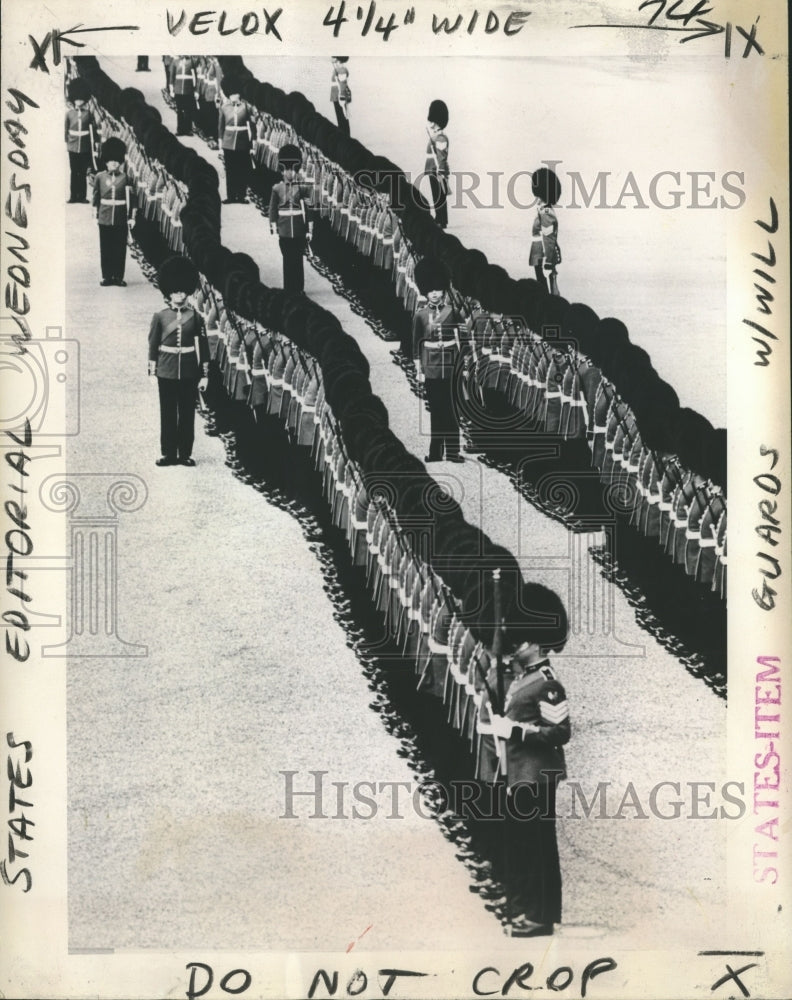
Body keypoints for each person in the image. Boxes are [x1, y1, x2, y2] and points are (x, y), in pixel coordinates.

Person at [479, 584, 571, 936]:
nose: (515, 646)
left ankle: (539, 916)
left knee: (536, 846)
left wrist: (513, 730)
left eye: (521, 641)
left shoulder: (547, 684)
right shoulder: (522, 679)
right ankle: (528, 907)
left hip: (536, 775)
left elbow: (559, 732)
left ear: (535, 644)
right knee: (523, 843)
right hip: (518, 774)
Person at [148, 256, 210, 467]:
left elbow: (203, 347)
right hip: (166, 370)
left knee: (186, 414)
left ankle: (184, 453)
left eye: (183, 291)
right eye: (175, 291)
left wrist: (204, 374)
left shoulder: (196, 317)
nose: (180, 295)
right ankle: (168, 453)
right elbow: (153, 344)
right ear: (169, 293)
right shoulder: (160, 316)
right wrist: (152, 371)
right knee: (167, 413)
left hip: (189, 370)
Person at [411, 257, 464, 463]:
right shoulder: (420, 316)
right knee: (436, 409)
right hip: (431, 367)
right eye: (431, 290)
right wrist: (419, 369)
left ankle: (452, 451)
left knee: (451, 408)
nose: (434, 293)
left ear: (443, 290)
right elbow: (417, 344)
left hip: (450, 366)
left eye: (438, 289)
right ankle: (435, 452)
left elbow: (463, 336)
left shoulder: (452, 312)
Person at [268, 143, 316, 295]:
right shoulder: (277, 188)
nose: (290, 173)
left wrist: (309, 229)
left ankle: (299, 288)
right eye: (288, 169)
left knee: (298, 260)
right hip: (284, 229)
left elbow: (308, 209)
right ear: (283, 170)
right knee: (288, 259)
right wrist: (273, 226)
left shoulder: (303, 188)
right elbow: (273, 208)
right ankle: (289, 288)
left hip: (299, 228)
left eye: (293, 169)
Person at [92, 137, 137, 287]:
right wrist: (95, 213)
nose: (114, 164)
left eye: (117, 161)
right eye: (112, 161)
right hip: (104, 217)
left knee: (119, 248)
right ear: (106, 161)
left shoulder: (126, 178)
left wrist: (132, 217)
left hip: (120, 217)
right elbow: (96, 196)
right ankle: (107, 276)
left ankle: (118, 276)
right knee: (105, 247)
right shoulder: (100, 177)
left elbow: (132, 199)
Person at [218, 76, 253, 203]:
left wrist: (251, 143)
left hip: (242, 142)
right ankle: (231, 195)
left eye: (236, 93)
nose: (234, 96)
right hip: (228, 143)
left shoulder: (246, 107)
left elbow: (251, 126)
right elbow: (221, 128)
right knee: (231, 170)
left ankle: (241, 195)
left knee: (241, 169)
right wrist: (221, 146)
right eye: (232, 93)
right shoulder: (224, 107)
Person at [529, 167, 561, 295]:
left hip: (542, 254)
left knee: (546, 287)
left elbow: (548, 237)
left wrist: (548, 261)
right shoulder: (543, 210)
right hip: (540, 253)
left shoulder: (546, 213)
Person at [65, 78, 96, 203]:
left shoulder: (88, 114)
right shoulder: (69, 113)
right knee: (74, 172)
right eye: (76, 99)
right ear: (73, 99)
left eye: (81, 99)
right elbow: (66, 130)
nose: (78, 101)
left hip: (84, 146)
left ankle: (82, 196)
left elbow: (92, 130)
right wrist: (68, 142)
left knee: (82, 172)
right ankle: (73, 196)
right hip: (72, 146)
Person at [425, 99, 450, 229]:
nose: (430, 123)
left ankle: (442, 220)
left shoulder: (440, 138)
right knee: (437, 195)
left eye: (432, 121)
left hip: (437, 170)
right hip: (432, 169)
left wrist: (441, 172)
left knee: (439, 195)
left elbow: (441, 158)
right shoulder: (436, 136)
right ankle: (439, 217)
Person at [169, 55, 198, 136]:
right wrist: (171, 88)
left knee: (188, 110)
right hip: (178, 90)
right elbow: (172, 75)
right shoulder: (176, 61)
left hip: (188, 90)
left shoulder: (191, 62)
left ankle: (188, 129)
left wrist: (195, 90)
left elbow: (195, 77)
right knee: (180, 111)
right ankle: (180, 129)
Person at [330, 56, 351, 136]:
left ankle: (345, 135)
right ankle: (344, 134)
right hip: (336, 95)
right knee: (341, 116)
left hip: (339, 96)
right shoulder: (339, 69)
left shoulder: (342, 70)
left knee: (342, 117)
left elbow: (342, 84)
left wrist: (341, 97)